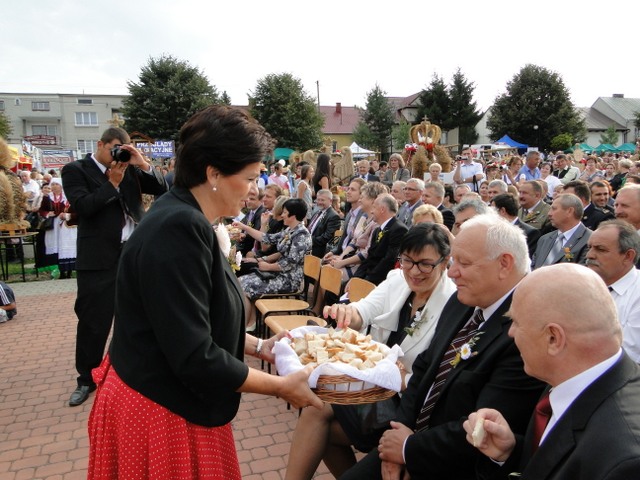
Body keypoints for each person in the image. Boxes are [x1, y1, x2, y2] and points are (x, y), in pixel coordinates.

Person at [87, 106, 322, 479]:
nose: (255, 189)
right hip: (160, 410)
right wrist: (280, 387)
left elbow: (194, 319)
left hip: (167, 401)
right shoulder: (179, 227)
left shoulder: (186, 217)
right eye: (250, 177)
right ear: (213, 173)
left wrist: (260, 346)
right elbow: (194, 354)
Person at [340, 214, 544, 480]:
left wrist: (408, 449)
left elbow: (483, 430)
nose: (452, 272)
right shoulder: (463, 300)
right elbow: (424, 368)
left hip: (455, 464)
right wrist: (398, 436)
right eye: (453, 261)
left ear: (504, 264)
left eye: (464, 263)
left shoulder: (525, 328)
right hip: (412, 437)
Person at [285, 224, 457, 479]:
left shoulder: (453, 303)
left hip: (406, 404)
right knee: (318, 416)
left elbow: (438, 382)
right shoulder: (397, 280)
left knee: (317, 414)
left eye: (425, 264)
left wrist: (401, 378)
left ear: (445, 262)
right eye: (407, 260)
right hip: (372, 389)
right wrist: (346, 312)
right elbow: (362, 311)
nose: (414, 271)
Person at [464, 264, 640, 480]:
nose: (510, 333)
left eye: (516, 322)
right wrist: (509, 453)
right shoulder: (568, 378)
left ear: (553, 339)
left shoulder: (625, 462)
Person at [62, 127, 169, 407]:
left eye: (124, 149)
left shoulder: (129, 167)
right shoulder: (76, 170)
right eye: (114, 149)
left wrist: (142, 164)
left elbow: (162, 189)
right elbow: (84, 206)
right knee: (94, 320)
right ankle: (86, 379)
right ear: (100, 144)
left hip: (134, 252)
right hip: (98, 257)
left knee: (142, 313)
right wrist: (112, 184)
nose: (118, 154)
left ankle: (134, 370)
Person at [586, 220, 640, 362]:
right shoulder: (582, 285)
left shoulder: (637, 292)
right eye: (589, 248)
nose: (590, 255)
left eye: (600, 249)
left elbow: (628, 354)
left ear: (628, 256)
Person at [327, 182, 387, 282]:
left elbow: (367, 253)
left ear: (373, 200)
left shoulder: (376, 223)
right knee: (326, 270)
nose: (359, 200)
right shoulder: (364, 217)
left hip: (361, 265)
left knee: (330, 275)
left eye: (362, 197)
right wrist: (340, 258)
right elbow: (354, 241)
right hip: (350, 259)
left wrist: (342, 262)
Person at [353, 193, 408, 285]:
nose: (371, 211)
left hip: (381, 281)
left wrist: (366, 282)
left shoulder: (399, 230)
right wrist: (355, 279)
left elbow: (388, 261)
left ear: (382, 209)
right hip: (368, 277)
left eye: (374, 207)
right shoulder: (377, 230)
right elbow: (369, 258)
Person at [531, 194, 591, 269]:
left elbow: (583, 271)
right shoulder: (544, 239)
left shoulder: (589, 240)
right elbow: (533, 267)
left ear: (569, 211)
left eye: (554, 209)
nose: (549, 214)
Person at [492, 193, 541, 258]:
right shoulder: (493, 231)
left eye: (492, 210)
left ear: (502, 211)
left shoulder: (530, 233)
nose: (490, 214)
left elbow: (526, 258)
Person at [307, 189, 341, 258]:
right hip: (308, 247)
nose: (319, 202)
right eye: (318, 199)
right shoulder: (317, 212)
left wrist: (308, 240)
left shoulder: (333, 216)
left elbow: (327, 237)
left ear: (330, 201)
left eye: (322, 200)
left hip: (318, 252)